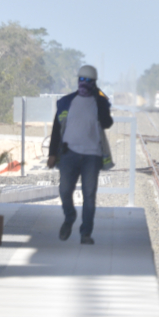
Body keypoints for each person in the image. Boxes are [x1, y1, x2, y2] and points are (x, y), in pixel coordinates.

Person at [46, 65, 113, 245]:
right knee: (64, 190)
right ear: (77, 81)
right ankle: (70, 217)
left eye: (88, 81)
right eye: (81, 80)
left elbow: (107, 123)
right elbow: (56, 130)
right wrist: (52, 153)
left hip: (92, 156)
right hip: (69, 154)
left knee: (89, 195)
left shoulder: (99, 103)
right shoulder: (67, 102)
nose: (84, 84)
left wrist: (100, 99)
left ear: (94, 83)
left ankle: (86, 233)